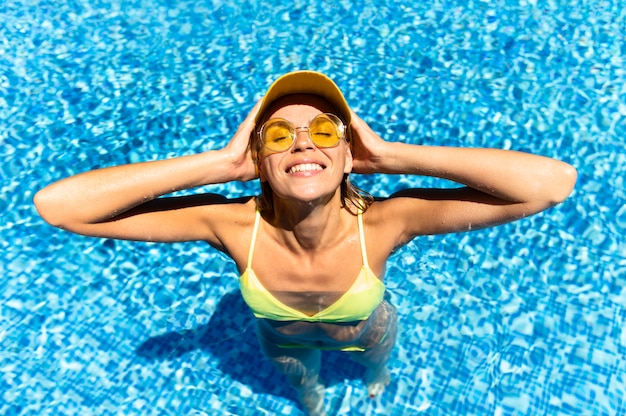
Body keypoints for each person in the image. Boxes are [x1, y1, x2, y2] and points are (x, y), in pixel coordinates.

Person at [34, 71, 577, 415]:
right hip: (285, 341)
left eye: (324, 132)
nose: (300, 141)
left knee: (374, 368)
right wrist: (219, 165)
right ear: (258, 162)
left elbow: (552, 185)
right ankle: (313, 401)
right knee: (305, 391)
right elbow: (60, 208)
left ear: (348, 155)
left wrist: (390, 155)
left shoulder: (386, 222)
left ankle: (376, 377)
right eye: (277, 136)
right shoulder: (230, 225)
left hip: (369, 331)